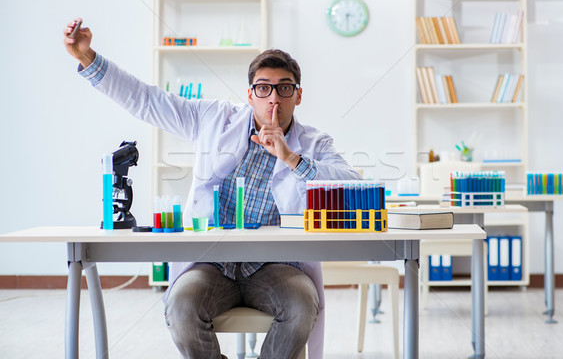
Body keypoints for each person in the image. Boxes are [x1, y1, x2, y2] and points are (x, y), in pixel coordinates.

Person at [63, 18, 360, 359]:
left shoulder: (312, 143)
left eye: (284, 87)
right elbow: (147, 100)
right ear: (250, 95)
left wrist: (292, 158)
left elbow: (350, 183)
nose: (273, 98)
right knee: (181, 307)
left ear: (299, 95)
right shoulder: (213, 119)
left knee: (301, 305)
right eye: (263, 88)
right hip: (211, 263)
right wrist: (88, 58)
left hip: (276, 266)